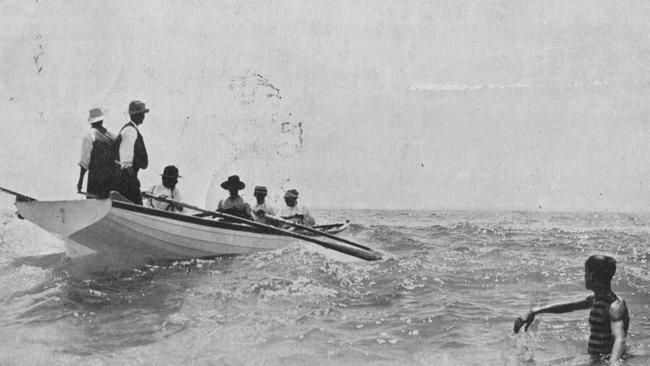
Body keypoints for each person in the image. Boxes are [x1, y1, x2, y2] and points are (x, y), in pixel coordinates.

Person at [514, 255, 629, 362]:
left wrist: (613, 364)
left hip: (606, 361)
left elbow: (619, 339)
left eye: (586, 272)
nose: (584, 276)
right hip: (597, 360)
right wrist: (535, 311)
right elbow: (569, 306)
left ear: (591, 275)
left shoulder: (615, 306)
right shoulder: (596, 299)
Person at [77, 108, 119, 198]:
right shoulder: (112, 136)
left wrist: (80, 181)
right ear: (102, 120)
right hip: (111, 178)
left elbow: (85, 161)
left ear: (91, 122)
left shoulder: (89, 135)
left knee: (94, 205)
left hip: (96, 178)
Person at [116, 100, 149, 205]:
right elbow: (126, 151)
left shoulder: (130, 129)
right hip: (128, 175)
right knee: (136, 205)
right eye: (142, 114)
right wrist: (130, 174)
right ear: (138, 115)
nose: (144, 117)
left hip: (128, 174)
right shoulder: (130, 130)